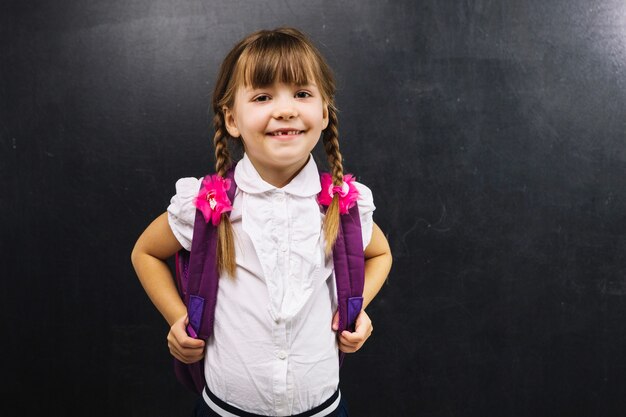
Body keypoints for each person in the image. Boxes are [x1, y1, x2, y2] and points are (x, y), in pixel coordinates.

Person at [131, 27, 392, 417]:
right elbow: (146, 252)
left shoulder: (343, 206)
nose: (285, 109)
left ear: (323, 112)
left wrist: (354, 309)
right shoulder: (206, 205)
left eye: (302, 94)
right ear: (232, 119)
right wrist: (177, 319)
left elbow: (381, 253)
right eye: (263, 96)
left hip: (322, 408)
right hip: (225, 410)